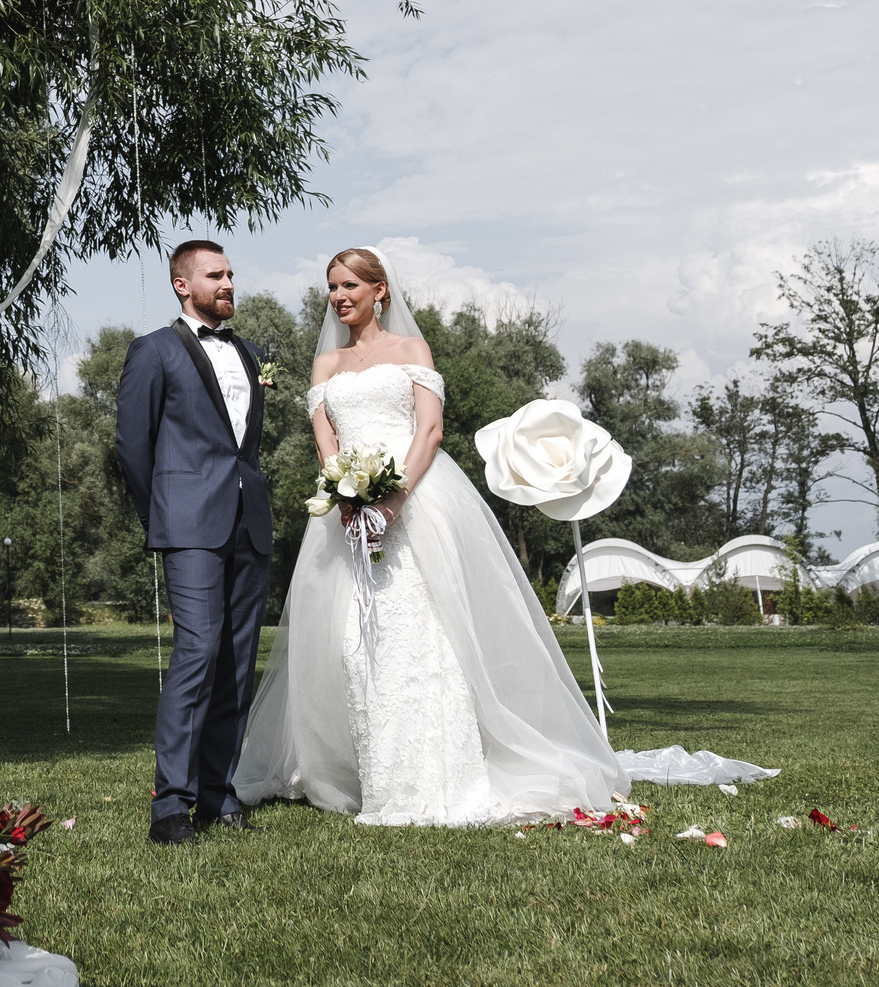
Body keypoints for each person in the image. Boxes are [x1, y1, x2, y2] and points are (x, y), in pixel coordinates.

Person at [233, 245, 621, 826]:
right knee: (353, 641)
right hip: (345, 512)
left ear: (379, 290)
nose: (339, 297)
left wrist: (391, 502)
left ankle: (443, 773)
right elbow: (324, 440)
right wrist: (344, 494)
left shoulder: (412, 350)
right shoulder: (326, 366)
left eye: (349, 287)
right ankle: (376, 773)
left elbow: (430, 429)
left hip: (416, 502)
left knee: (421, 631)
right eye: (332, 289)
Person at [112, 239, 274, 845]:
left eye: (231, 273)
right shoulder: (153, 351)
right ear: (184, 285)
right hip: (188, 525)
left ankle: (218, 795)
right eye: (216, 275)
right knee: (197, 652)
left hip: (248, 522)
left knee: (235, 665)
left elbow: (243, 447)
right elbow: (133, 447)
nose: (228, 282)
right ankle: (170, 808)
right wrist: (164, 514)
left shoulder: (252, 353)